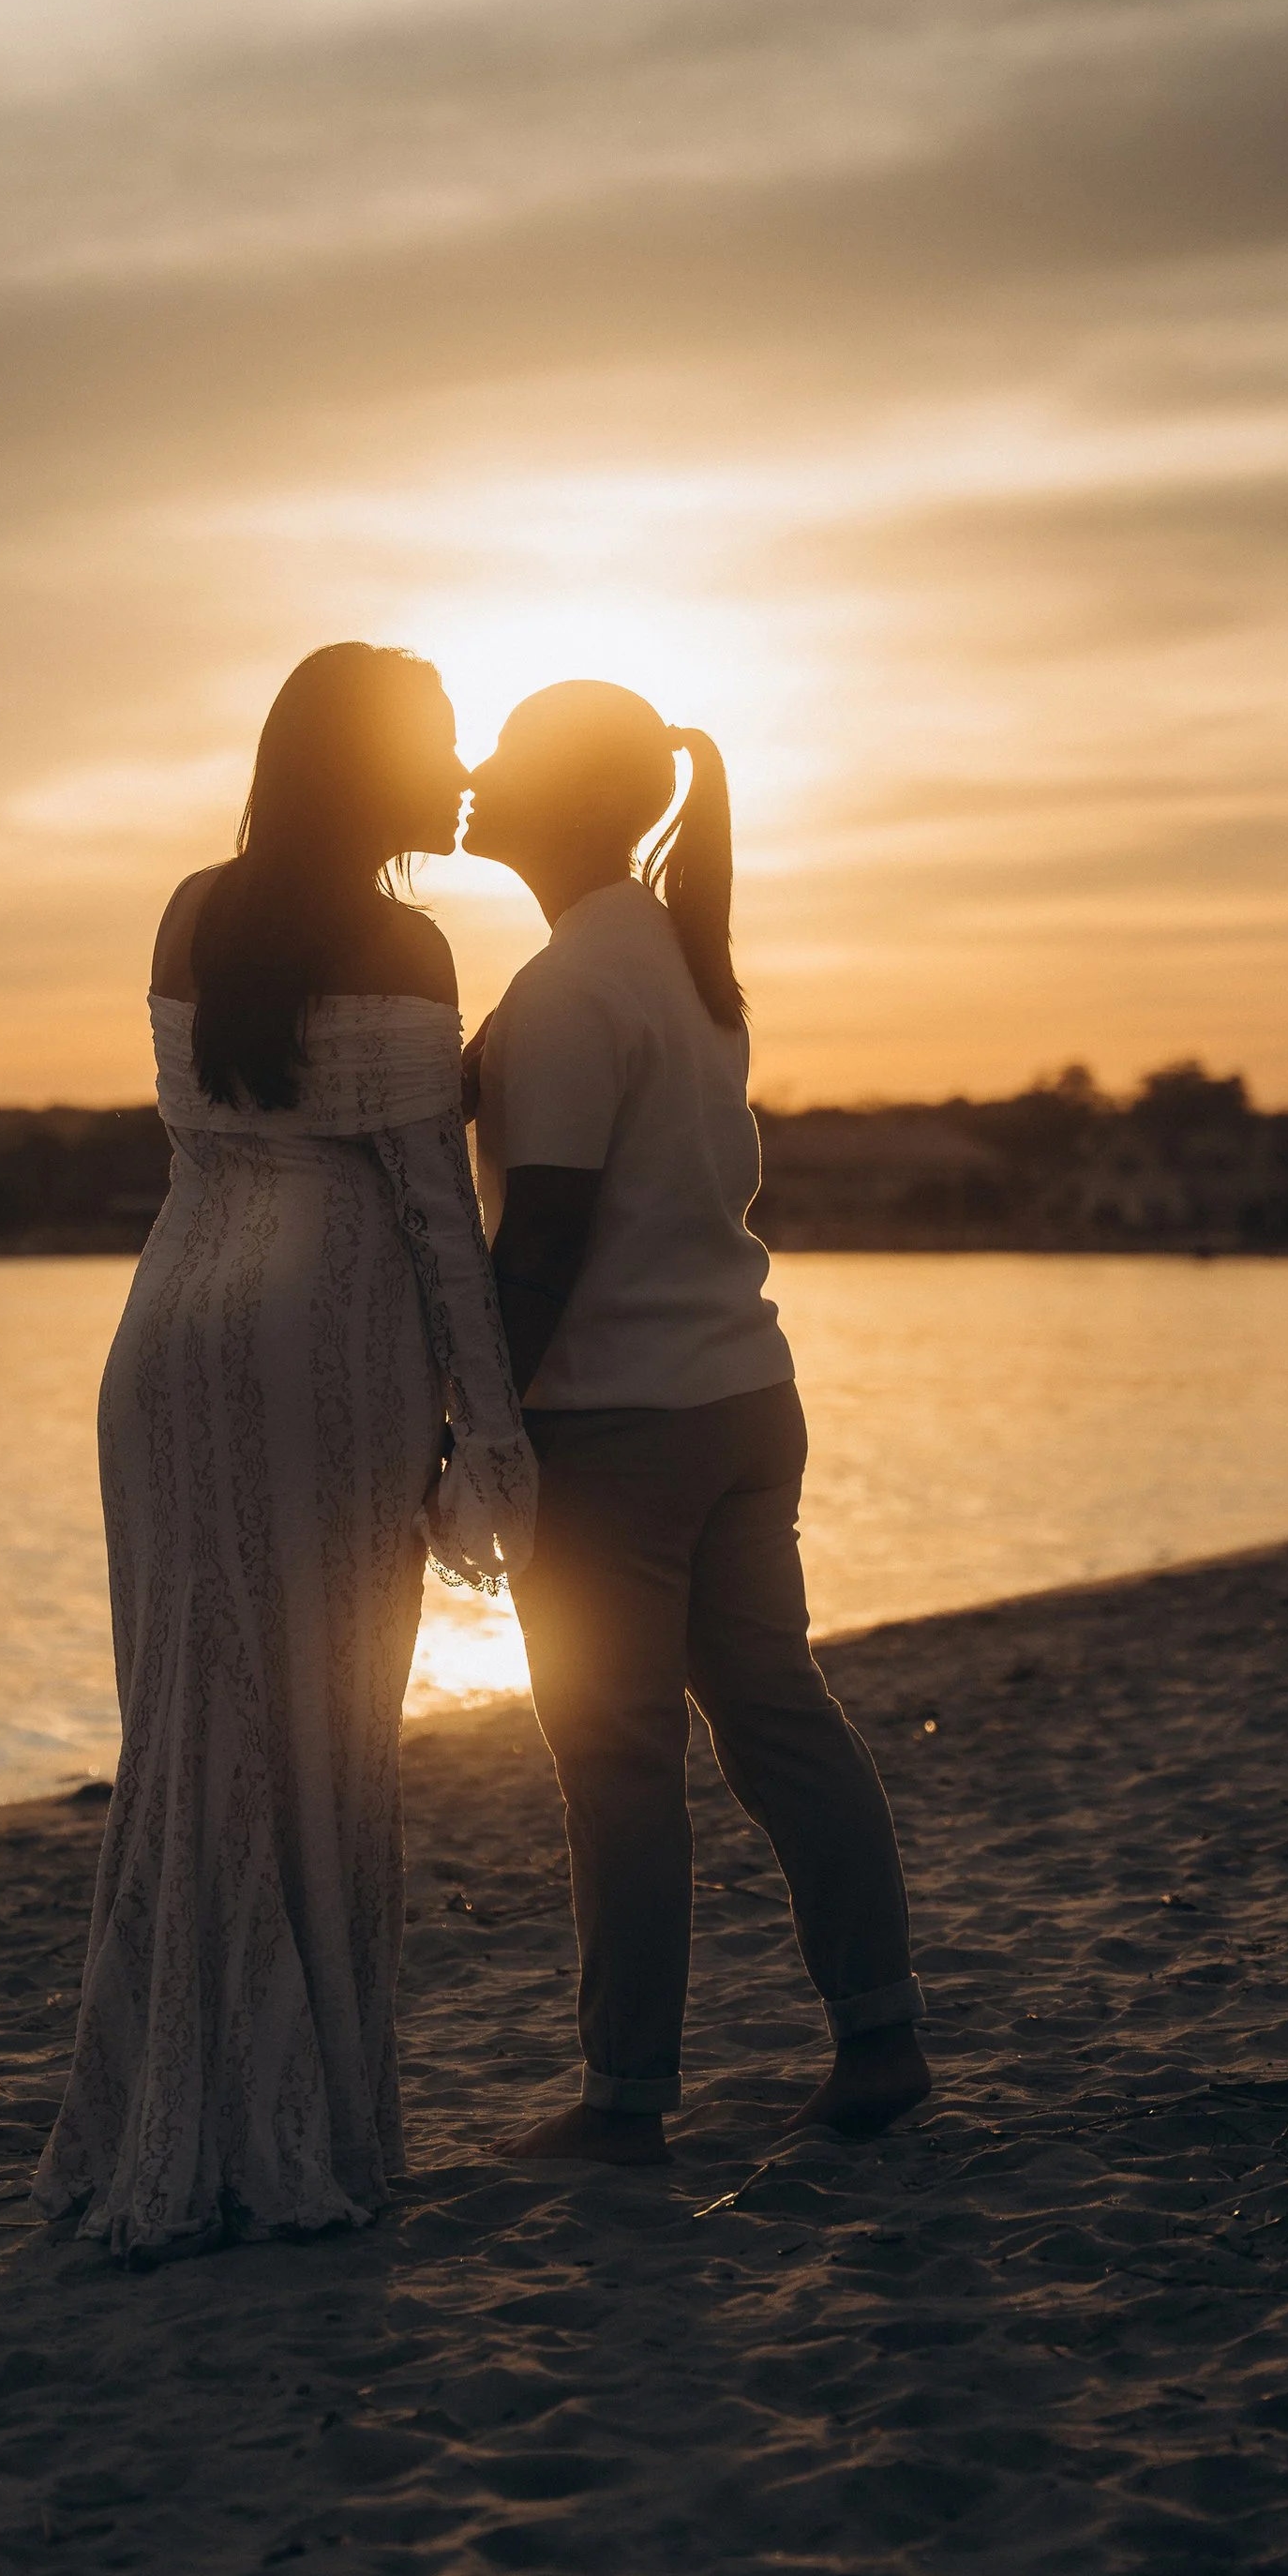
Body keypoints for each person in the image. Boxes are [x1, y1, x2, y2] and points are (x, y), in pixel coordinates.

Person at [36, 644, 535, 2258]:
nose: (457, 766)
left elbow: (198, 1130)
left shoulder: (191, 911)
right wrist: (492, 1428)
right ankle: (296, 2113)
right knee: (318, 1731)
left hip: (169, 1330)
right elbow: (434, 1213)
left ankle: (153, 2107)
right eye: (438, 742)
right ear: (369, 766)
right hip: (322, 1336)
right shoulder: (405, 940)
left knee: (185, 1720)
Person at [463, 681, 928, 2165]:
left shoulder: (568, 993)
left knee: (617, 1762)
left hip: (617, 1425)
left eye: (503, 761)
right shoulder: (675, 958)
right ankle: (883, 2036)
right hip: (742, 1395)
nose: (472, 777)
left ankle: (624, 2100)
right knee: (780, 1719)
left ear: (566, 801)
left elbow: (541, 1238)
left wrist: (466, 1417)